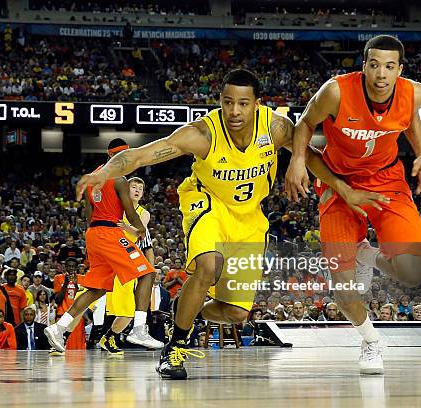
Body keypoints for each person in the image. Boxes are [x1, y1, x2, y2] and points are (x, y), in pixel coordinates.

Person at [75, 68, 385, 379]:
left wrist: (329, 179)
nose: (234, 111)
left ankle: (188, 311)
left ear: (257, 103)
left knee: (237, 313)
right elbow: (141, 156)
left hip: (249, 216)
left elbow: (309, 152)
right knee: (209, 266)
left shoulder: (276, 128)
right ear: (220, 102)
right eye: (227, 102)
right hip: (206, 203)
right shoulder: (202, 134)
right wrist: (104, 172)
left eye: (243, 103)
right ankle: (175, 349)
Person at [286, 35, 421, 374]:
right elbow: (305, 123)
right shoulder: (336, 91)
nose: (381, 73)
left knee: (411, 273)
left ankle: (368, 253)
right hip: (338, 184)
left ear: (400, 71)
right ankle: (370, 342)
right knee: (345, 290)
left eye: (389, 67)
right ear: (363, 66)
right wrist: (297, 161)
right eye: (374, 65)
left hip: (387, 182)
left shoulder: (414, 93)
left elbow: (410, 116)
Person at [44, 143, 156, 356]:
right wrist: (140, 228)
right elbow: (130, 212)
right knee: (148, 273)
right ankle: (139, 328)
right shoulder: (119, 179)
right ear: (114, 155)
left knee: (97, 288)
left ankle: (58, 328)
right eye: (123, 155)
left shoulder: (91, 178)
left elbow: (88, 214)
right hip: (110, 231)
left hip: (94, 234)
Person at [102, 161, 163, 352]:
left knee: (128, 310)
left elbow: (140, 231)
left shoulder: (143, 212)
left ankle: (108, 338)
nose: (137, 191)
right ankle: (105, 338)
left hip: (129, 262)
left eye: (140, 189)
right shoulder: (115, 207)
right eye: (133, 187)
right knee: (123, 309)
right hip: (113, 260)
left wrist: (127, 228)